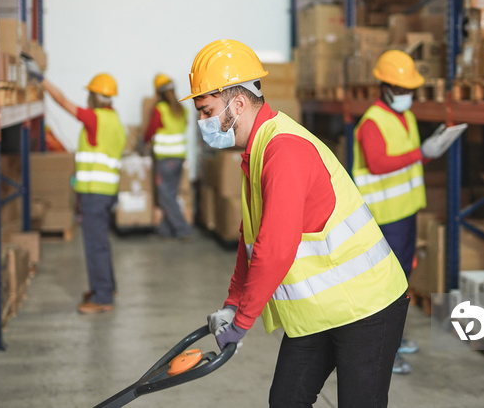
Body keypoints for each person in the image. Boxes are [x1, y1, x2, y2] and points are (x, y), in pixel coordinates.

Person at [182, 39, 410, 408]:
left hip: (367, 307)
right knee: (287, 400)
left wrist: (242, 323)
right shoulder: (256, 152)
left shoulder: (284, 151)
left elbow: (275, 250)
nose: (202, 122)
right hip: (321, 310)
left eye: (206, 110)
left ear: (237, 104)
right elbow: (250, 239)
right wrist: (232, 302)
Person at [351, 50, 431, 374]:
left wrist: (426, 152)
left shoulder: (405, 116)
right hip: (384, 218)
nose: (405, 95)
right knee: (383, 286)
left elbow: (408, 158)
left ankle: (393, 339)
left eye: (409, 89)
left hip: (406, 212)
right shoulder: (371, 122)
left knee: (401, 281)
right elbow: (378, 163)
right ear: (383, 87)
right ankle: (382, 350)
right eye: (399, 89)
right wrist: (420, 153)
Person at [41, 73, 126, 314]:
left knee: (94, 245)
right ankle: (108, 288)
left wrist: (42, 80)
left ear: (94, 96)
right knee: (101, 243)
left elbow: (62, 101)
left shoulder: (94, 118)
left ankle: (102, 297)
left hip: (94, 194)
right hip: (107, 192)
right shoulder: (114, 120)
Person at [143, 74, 190, 239]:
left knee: (166, 197)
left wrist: (144, 141)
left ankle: (182, 230)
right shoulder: (182, 110)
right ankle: (165, 231)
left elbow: (150, 131)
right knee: (169, 194)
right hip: (179, 159)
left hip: (165, 160)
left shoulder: (160, 109)